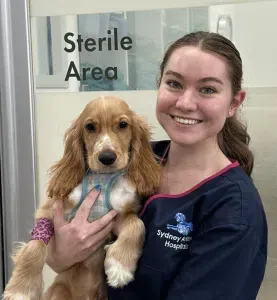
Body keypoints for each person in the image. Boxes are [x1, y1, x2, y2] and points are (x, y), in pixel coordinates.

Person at [47, 31, 267, 299]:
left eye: (207, 89)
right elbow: (58, 248)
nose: (185, 103)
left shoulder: (234, 213)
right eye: (174, 83)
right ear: (159, 85)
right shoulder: (130, 158)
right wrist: (60, 255)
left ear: (234, 102)